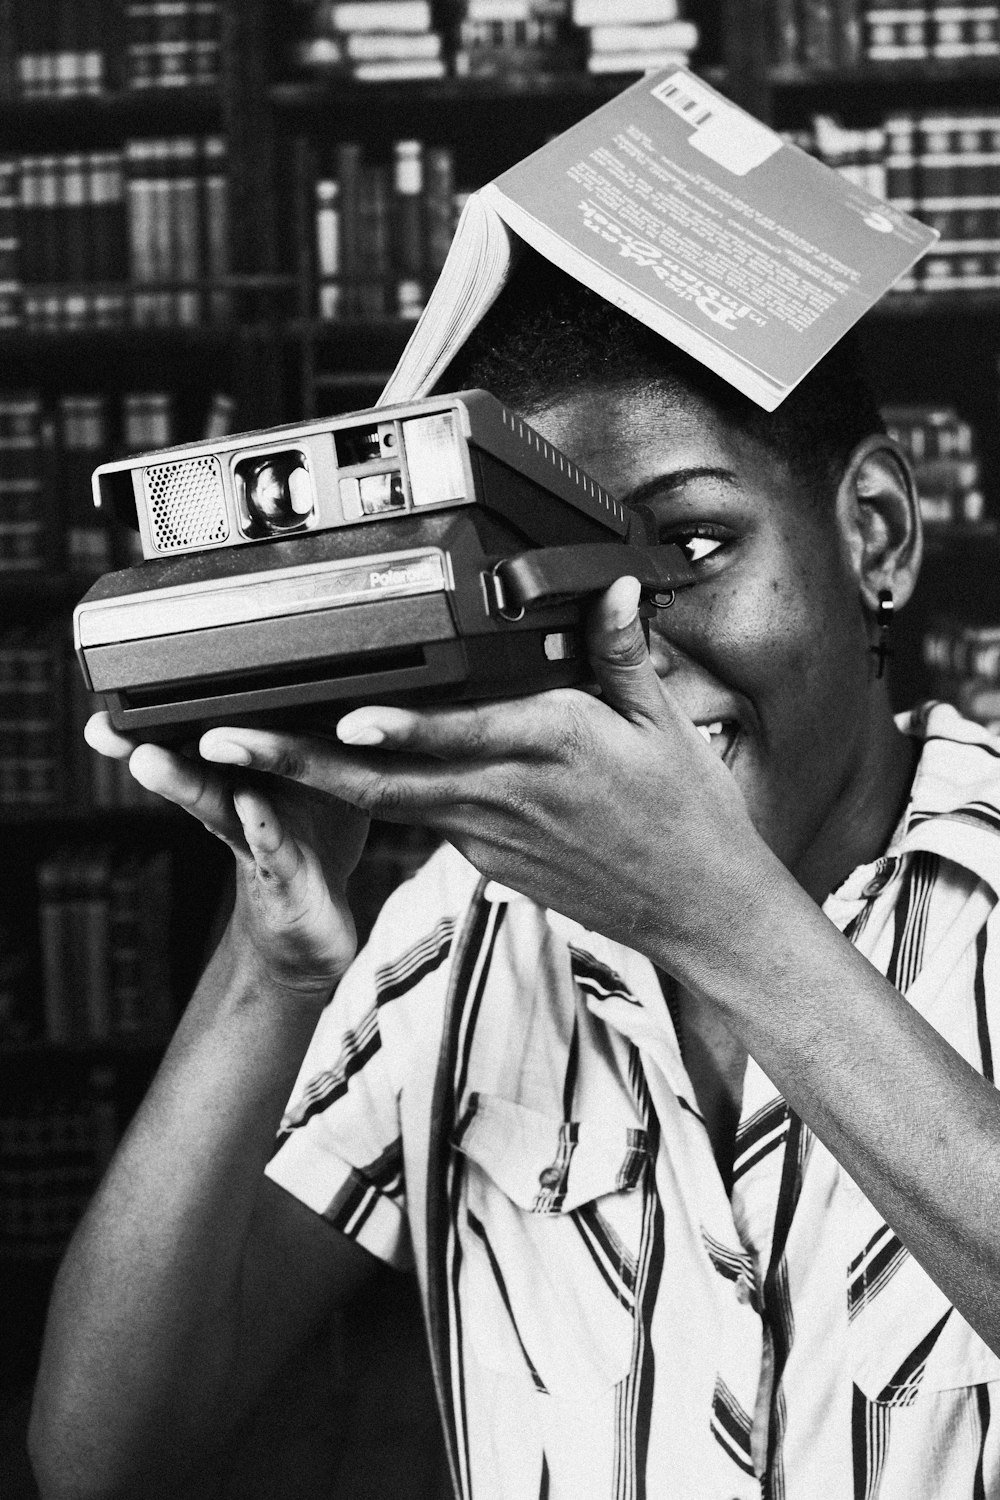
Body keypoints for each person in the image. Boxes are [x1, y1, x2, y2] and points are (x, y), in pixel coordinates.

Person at [28, 252, 1000, 1500]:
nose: (621, 653)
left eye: (690, 545)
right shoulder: (457, 930)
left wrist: (717, 921)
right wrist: (270, 965)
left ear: (875, 533)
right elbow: (102, 1459)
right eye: (536, 579)